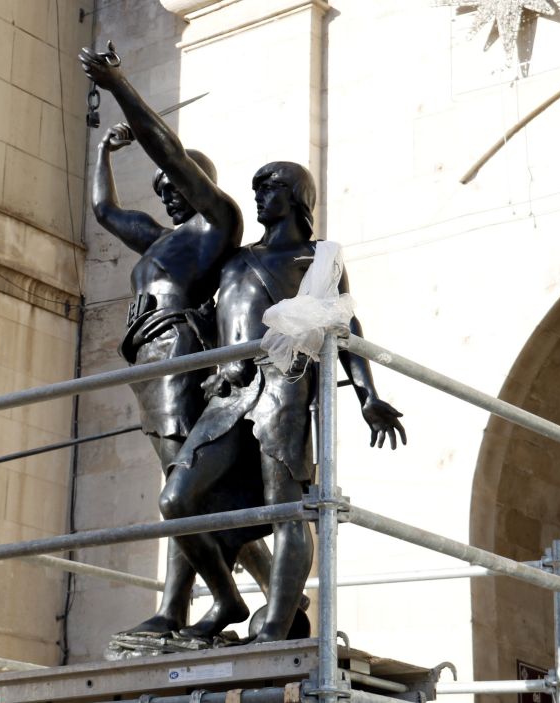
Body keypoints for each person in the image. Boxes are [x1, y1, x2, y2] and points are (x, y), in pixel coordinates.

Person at [160, 162, 407, 642]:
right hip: (227, 395)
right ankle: (228, 598)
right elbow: (206, 320)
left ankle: (274, 625)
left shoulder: (316, 258)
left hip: (284, 386)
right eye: (255, 187)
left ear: (297, 196)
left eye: (269, 187)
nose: (258, 195)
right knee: (177, 500)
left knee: (285, 509)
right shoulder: (233, 260)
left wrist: (367, 394)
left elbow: (344, 325)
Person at [82, 48, 275, 638]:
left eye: (174, 184)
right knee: (184, 494)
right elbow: (103, 209)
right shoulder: (161, 242)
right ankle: (277, 596)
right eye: (160, 188)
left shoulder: (215, 223)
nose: (165, 192)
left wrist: (119, 86)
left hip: (179, 355)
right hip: (148, 364)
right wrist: (101, 152)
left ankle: (190, 607)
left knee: (180, 491)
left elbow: (165, 146)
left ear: (198, 184)